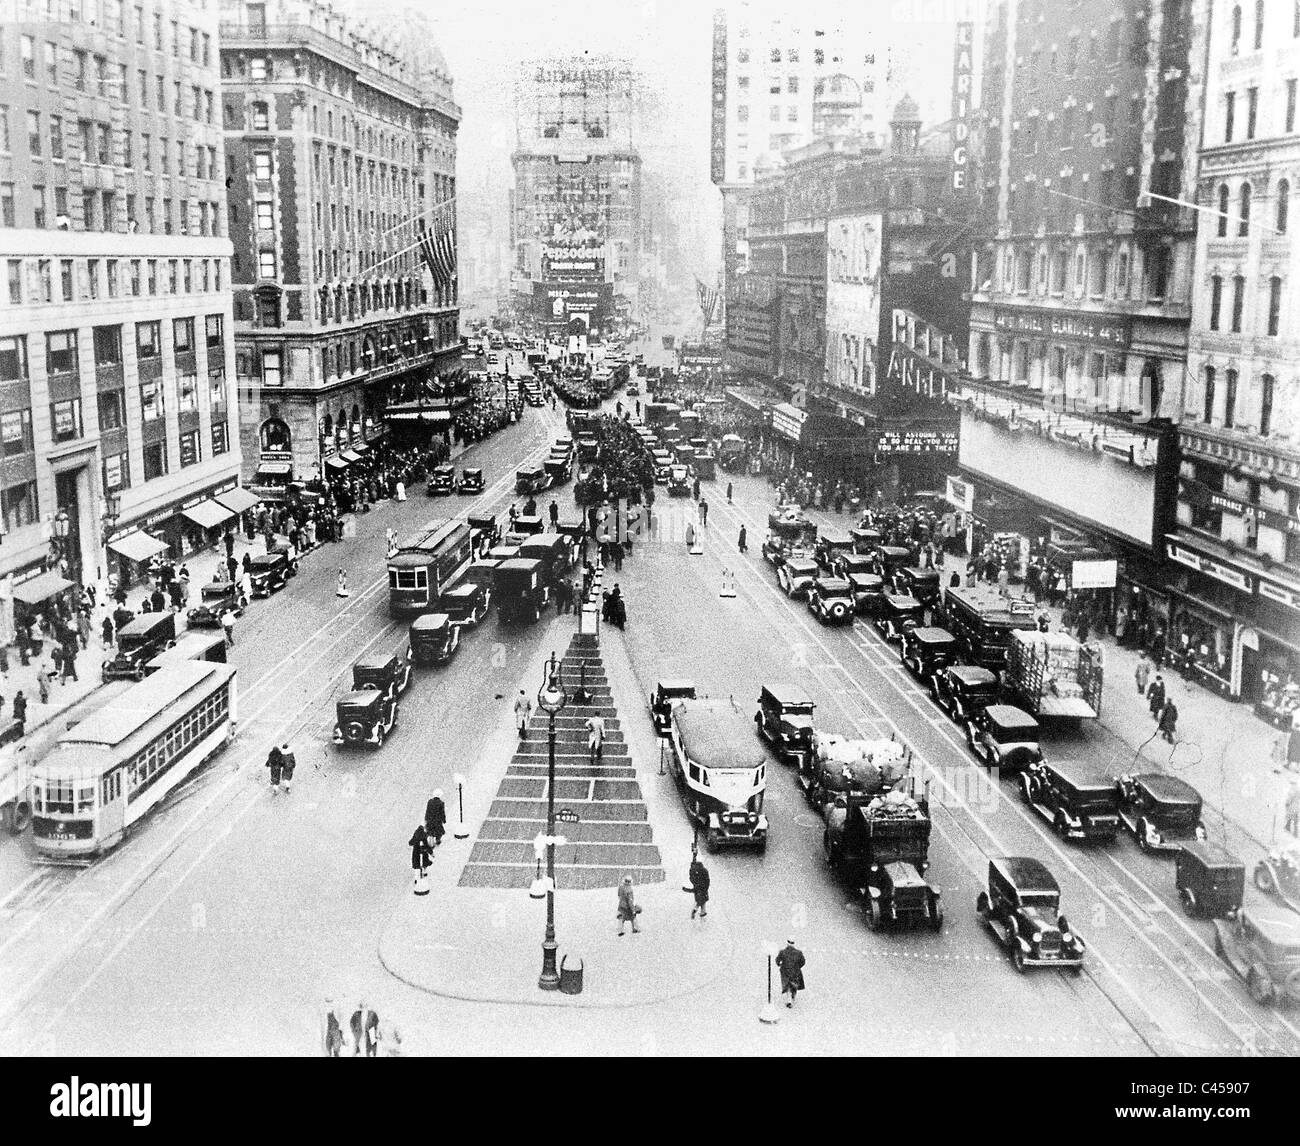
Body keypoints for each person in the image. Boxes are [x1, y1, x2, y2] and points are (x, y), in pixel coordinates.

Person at [776, 938, 806, 1008]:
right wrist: (798, 966)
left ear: (787, 943)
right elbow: (803, 962)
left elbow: (777, 961)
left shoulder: (782, 952)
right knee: (794, 984)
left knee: (787, 985)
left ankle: (789, 1000)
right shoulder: (799, 953)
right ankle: (793, 997)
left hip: (785, 971)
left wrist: (780, 965)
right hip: (795, 972)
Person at [409, 822, 433, 889]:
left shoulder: (415, 835)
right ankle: (424, 872)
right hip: (423, 852)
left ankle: (417, 879)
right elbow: (427, 846)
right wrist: (431, 853)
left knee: (417, 866)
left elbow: (411, 842)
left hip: (416, 853)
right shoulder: (423, 836)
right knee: (424, 863)